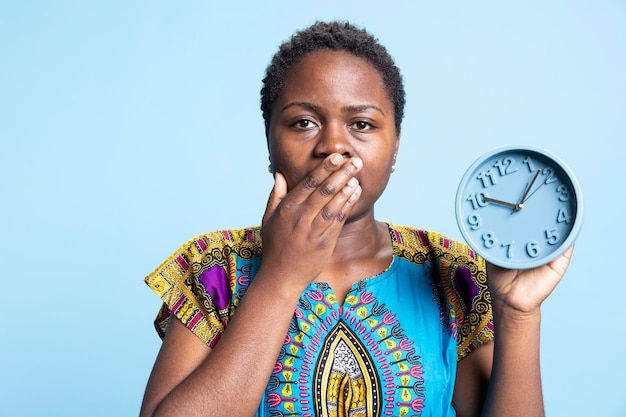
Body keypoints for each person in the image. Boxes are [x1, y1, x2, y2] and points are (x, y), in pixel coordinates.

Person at [139, 21, 572, 417]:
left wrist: (517, 315)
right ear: (269, 141)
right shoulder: (214, 268)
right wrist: (279, 278)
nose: (334, 146)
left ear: (396, 144)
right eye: (304, 122)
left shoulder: (451, 271)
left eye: (362, 124)